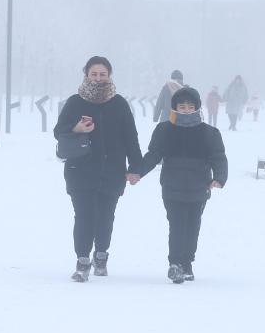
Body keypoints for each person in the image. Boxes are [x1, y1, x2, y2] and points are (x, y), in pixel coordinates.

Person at [54, 56, 144, 282]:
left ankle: (101, 256)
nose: (98, 78)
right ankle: (82, 260)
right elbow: (59, 131)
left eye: (102, 74)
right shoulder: (75, 102)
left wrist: (135, 167)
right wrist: (75, 127)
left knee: (105, 216)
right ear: (86, 75)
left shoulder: (120, 103)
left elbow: (131, 137)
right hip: (80, 170)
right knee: (83, 215)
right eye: (94, 74)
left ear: (109, 75)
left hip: (112, 171)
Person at [134, 86, 228, 284]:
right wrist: (138, 172)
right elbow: (153, 155)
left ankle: (187, 263)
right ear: (175, 108)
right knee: (176, 224)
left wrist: (219, 177)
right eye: (182, 106)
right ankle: (175, 264)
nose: (186, 109)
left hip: (199, 187)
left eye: (190, 106)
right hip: (172, 186)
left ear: (196, 108)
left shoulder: (209, 133)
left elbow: (218, 157)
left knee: (193, 225)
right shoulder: (165, 130)